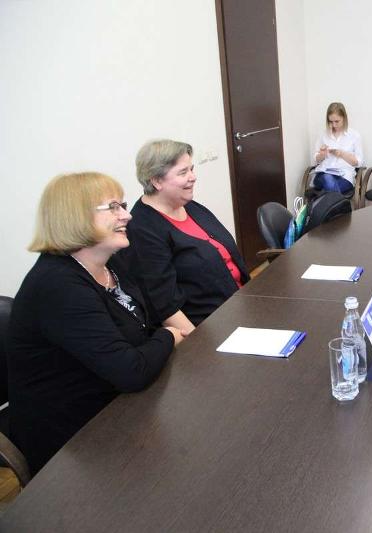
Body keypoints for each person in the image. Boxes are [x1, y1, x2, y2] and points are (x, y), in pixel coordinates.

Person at [7, 172, 184, 474]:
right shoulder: (58, 285)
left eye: (123, 205)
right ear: (74, 217)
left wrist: (160, 338)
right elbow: (131, 372)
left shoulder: (109, 262)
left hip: (119, 404)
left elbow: (139, 331)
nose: (127, 215)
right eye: (113, 207)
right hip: (73, 443)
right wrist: (169, 335)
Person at [122, 139, 249, 332]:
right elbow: (163, 305)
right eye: (183, 172)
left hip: (241, 304)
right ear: (156, 181)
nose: (193, 177)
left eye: (192, 169)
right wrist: (198, 343)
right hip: (209, 327)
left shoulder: (189, 206)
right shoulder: (142, 229)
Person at [310, 102, 364, 194]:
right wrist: (322, 155)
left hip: (344, 177)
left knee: (329, 187)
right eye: (330, 122)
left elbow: (359, 163)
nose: (334, 125)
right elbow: (316, 160)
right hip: (323, 174)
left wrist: (342, 154)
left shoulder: (354, 136)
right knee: (327, 178)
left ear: (344, 118)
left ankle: (324, 199)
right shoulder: (323, 134)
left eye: (337, 121)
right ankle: (337, 201)